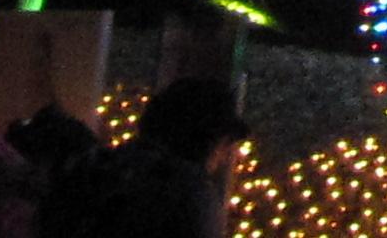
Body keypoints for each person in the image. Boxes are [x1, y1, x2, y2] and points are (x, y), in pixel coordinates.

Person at [42, 83, 242, 238]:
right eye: (224, 144)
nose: (224, 158)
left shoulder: (100, 168)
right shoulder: (190, 193)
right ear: (208, 139)